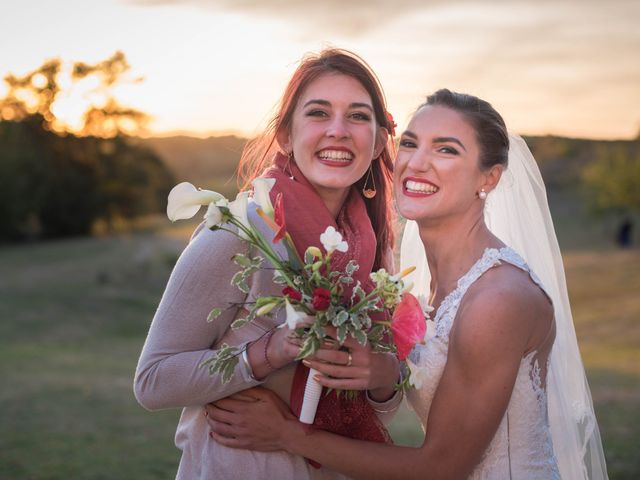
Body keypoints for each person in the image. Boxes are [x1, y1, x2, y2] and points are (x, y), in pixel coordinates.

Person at [204, 90, 608, 479]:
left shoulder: (498, 299)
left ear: (489, 178)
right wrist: (385, 373)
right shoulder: (424, 290)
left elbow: (440, 468)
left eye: (446, 149)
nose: (417, 163)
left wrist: (288, 434)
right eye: (411, 144)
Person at [133, 48, 402, 479]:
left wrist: (383, 373)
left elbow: (377, 411)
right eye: (318, 113)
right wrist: (267, 352)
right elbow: (152, 381)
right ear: (286, 137)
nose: (338, 131)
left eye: (357, 116)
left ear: (378, 142)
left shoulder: (373, 249)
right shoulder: (239, 233)